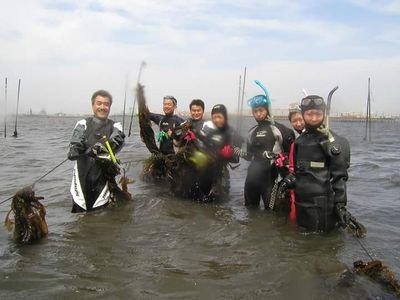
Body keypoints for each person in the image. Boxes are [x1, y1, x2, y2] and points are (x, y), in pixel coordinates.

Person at [291, 95, 350, 232]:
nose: (313, 118)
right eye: (309, 114)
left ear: (324, 114)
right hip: (301, 202)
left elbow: (340, 176)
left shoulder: (330, 141)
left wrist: (340, 205)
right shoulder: (299, 142)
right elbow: (298, 171)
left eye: (318, 114)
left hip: (322, 204)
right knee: (303, 243)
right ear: (303, 114)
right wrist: (289, 180)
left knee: (321, 244)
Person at [67, 90, 125, 213]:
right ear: (93, 105)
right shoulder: (82, 123)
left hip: (103, 184)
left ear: (110, 107)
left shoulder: (116, 126)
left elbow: (117, 140)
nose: (102, 107)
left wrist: (100, 147)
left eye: (106, 104)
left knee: (101, 220)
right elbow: (76, 141)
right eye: (99, 103)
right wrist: (75, 149)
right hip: (80, 186)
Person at [244, 95, 294, 209]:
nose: (258, 114)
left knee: (271, 210)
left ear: (268, 110)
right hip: (252, 176)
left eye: (261, 110)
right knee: (250, 209)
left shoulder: (279, 129)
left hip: (271, 176)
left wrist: (282, 158)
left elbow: (292, 154)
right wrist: (236, 151)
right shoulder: (251, 132)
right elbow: (249, 155)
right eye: (255, 111)